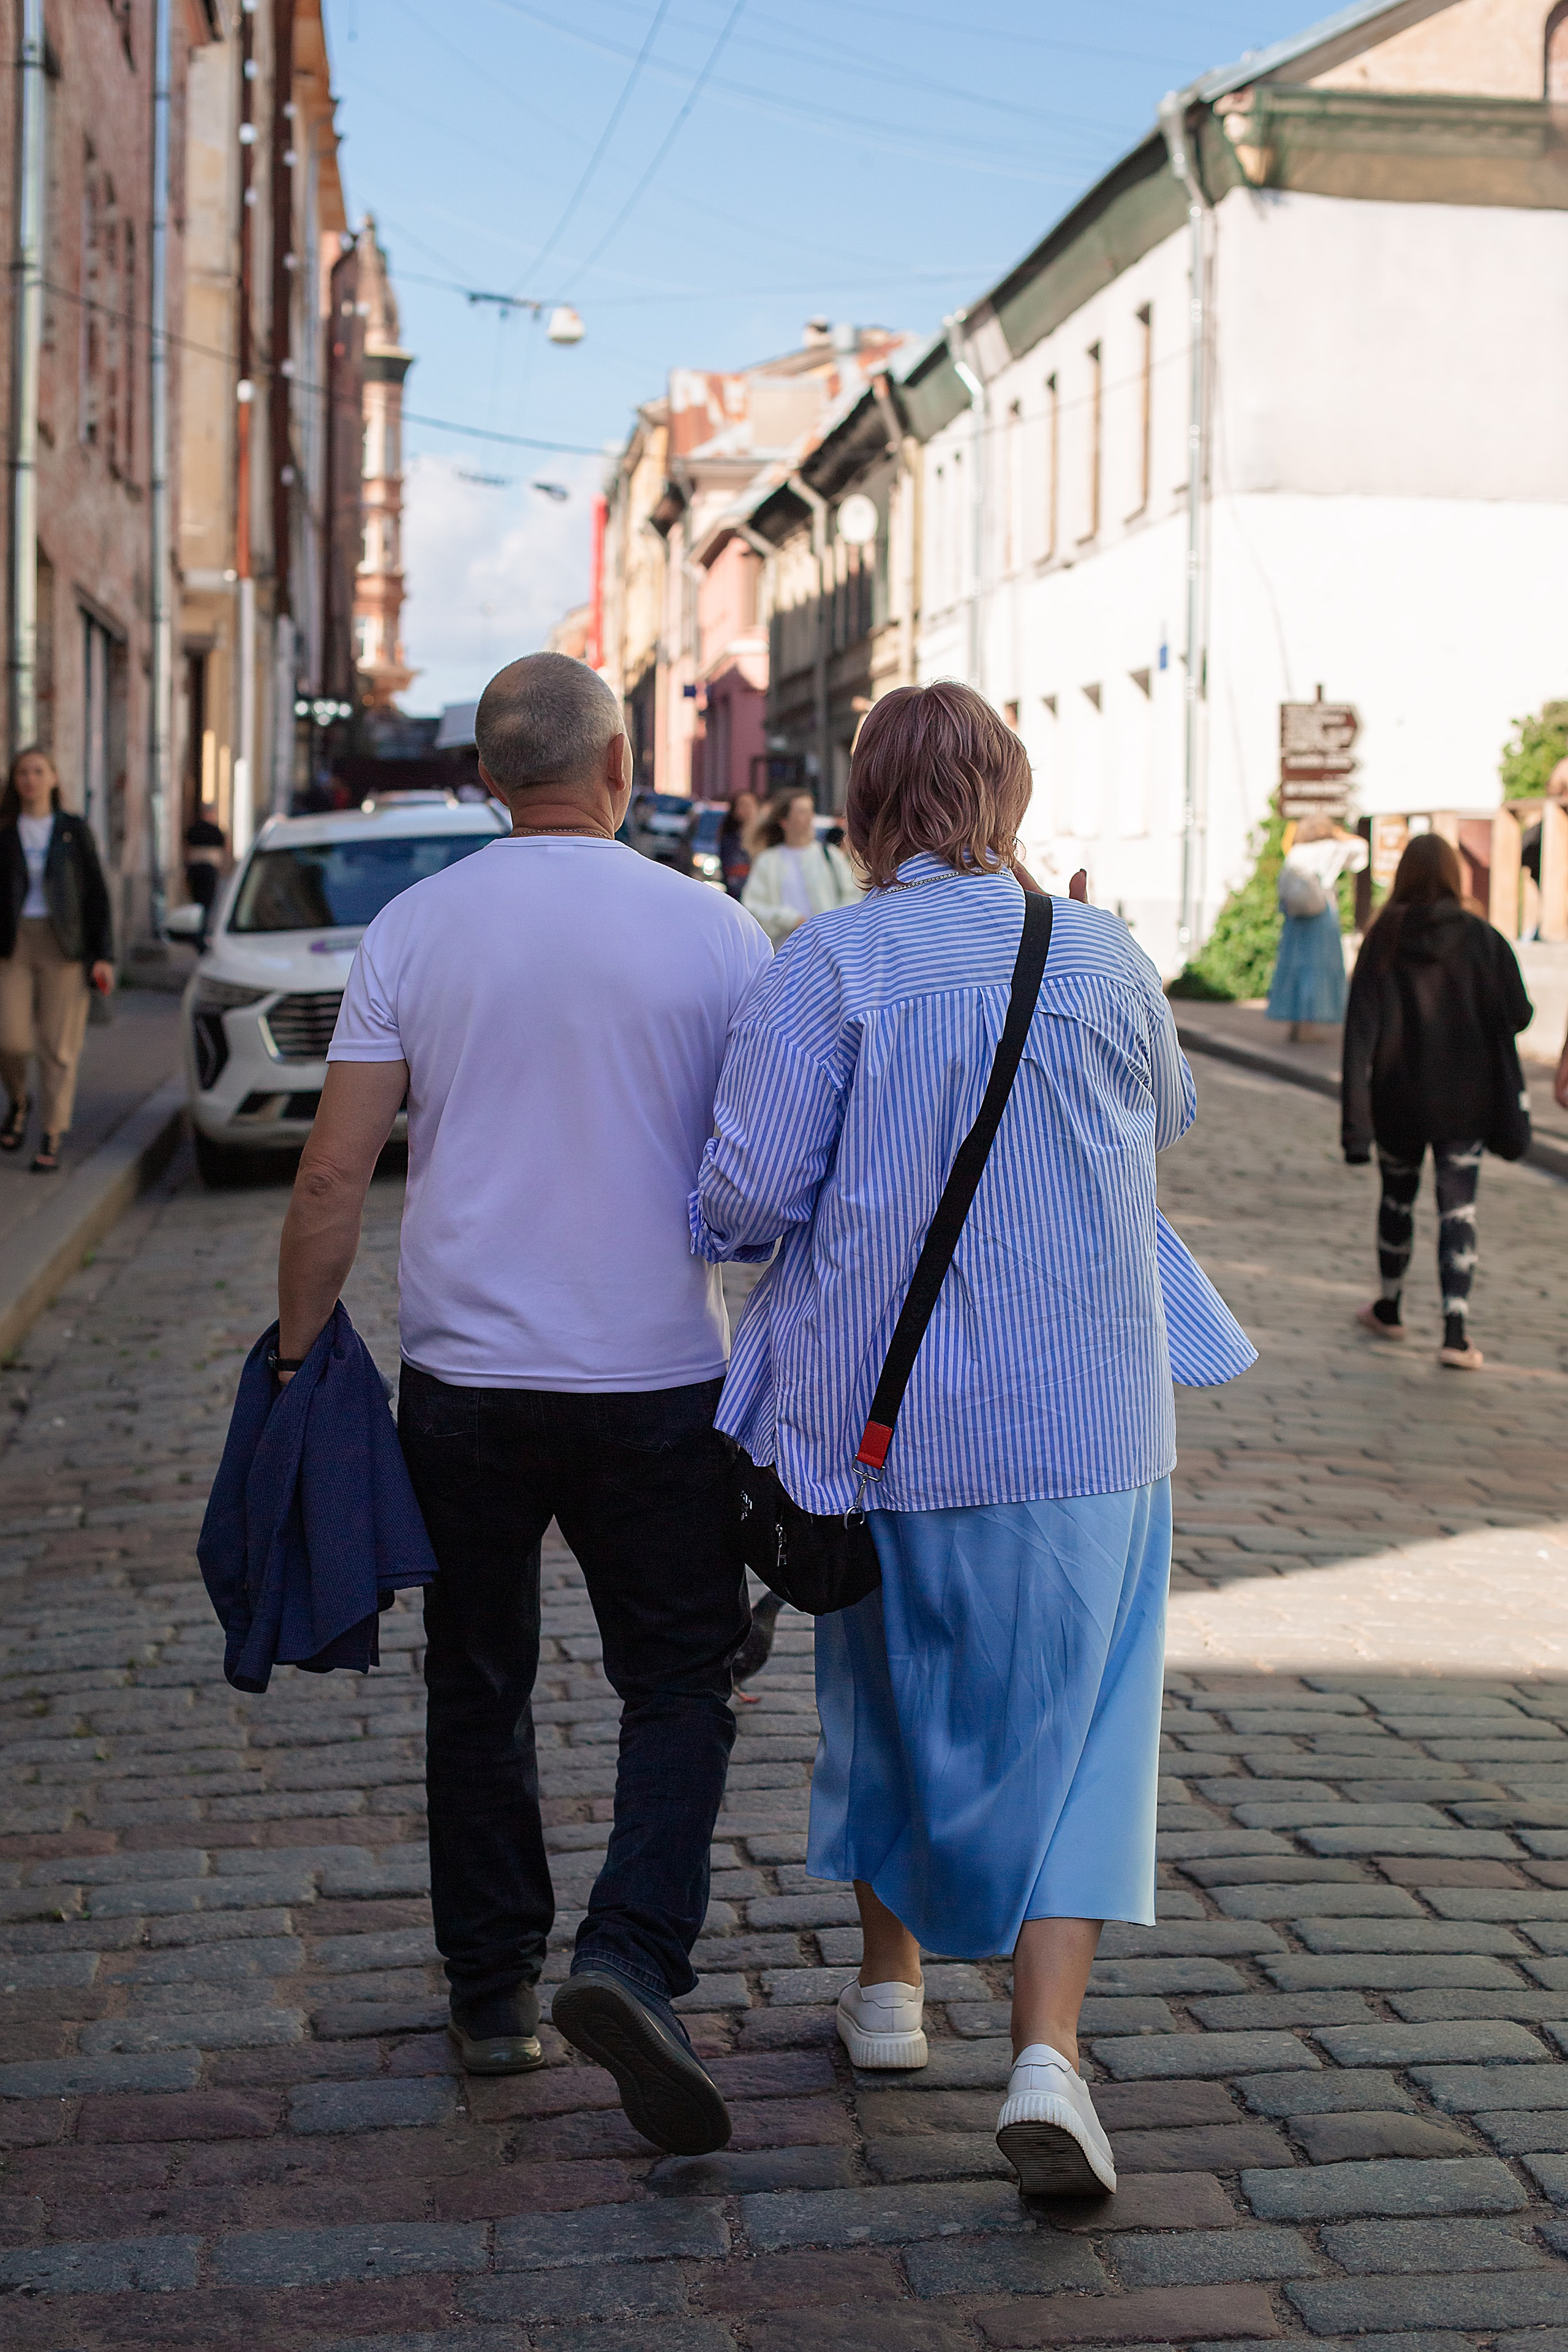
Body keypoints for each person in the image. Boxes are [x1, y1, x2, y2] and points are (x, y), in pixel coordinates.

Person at [693, 680, 1253, 2198]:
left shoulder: (828, 962)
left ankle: (888, 1993)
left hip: (883, 1426)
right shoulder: (1100, 953)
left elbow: (742, 1203)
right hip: (1089, 1418)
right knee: (1088, 1734)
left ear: (866, 809)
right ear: (1008, 794)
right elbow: (1169, 1114)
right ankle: (1047, 2058)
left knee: (880, 1690)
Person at [274, 652, 771, 2154]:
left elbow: (332, 1173)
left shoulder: (417, 928)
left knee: (477, 1678)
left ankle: (492, 1993)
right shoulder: (713, 928)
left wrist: (298, 1358)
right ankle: (630, 1954)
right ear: (619, 767)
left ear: (488, 777)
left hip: (466, 1383)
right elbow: (769, 1172)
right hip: (655, 1376)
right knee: (677, 1679)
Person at [1342, 830, 1531, 1372]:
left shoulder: (1384, 938)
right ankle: (1455, 1333)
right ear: (1454, 875)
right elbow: (1520, 1014)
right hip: (1467, 1102)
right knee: (1459, 1210)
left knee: (1397, 1200)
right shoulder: (1483, 938)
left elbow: (1360, 1033)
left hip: (1398, 1097)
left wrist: (1356, 1127)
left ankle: (1390, 1307)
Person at [0, 747, 114, 1173]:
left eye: (38, 771)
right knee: (10, 1040)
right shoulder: (5, 831)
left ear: (53, 778)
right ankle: (18, 1101)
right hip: (12, 945)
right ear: (14, 781)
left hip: (64, 946)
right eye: (22, 772)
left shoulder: (73, 830)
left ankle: (52, 1131)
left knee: (58, 1047)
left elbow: (96, 893)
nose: (30, 779)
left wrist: (103, 955)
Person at [1266, 813, 1368, 1041]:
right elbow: (1361, 850)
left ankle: (1295, 1026)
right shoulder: (1329, 849)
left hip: (1296, 918)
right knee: (1317, 969)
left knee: (1295, 967)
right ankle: (1308, 1027)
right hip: (1321, 913)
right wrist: (1339, 833)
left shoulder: (1296, 851)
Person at [742, 786, 860, 945]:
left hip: (828, 947)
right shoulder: (768, 861)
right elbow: (752, 907)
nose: (809, 817)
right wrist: (789, 919)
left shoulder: (829, 855)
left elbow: (852, 897)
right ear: (784, 821)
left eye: (810, 811)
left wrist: (830, 924)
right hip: (785, 949)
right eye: (802, 812)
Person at [184, 805, 227, 945]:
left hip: (198, 871)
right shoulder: (214, 831)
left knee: (199, 904)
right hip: (206, 872)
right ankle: (201, 933)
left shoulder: (196, 830)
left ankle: (199, 933)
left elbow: (187, 849)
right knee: (205, 905)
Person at [718, 789, 760, 899]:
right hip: (736, 893)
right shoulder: (729, 839)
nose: (747, 809)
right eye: (742, 805)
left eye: (750, 805)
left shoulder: (766, 837)